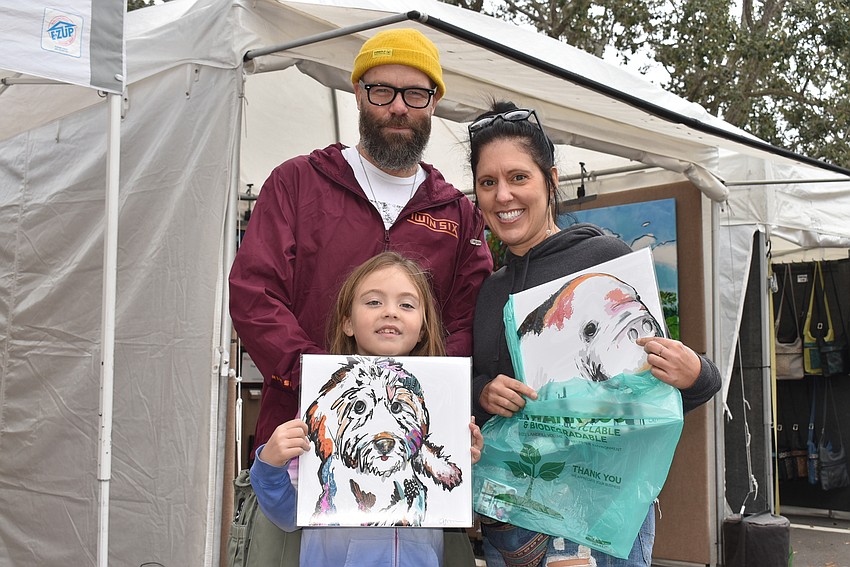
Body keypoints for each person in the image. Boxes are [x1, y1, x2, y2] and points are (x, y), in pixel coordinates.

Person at [227, 28, 492, 566]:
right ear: (358, 93)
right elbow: (255, 292)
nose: (398, 106)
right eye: (382, 90)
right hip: (304, 448)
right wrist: (319, 383)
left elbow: (469, 318)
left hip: (414, 462)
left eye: (415, 93)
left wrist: (437, 403)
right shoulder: (297, 183)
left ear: (434, 101)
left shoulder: (456, 212)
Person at [467, 101, 722, 567]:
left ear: (551, 180)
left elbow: (662, 388)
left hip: (602, 517)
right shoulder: (490, 291)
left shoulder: (605, 257)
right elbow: (476, 387)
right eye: (488, 182)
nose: (503, 195)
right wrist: (484, 393)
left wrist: (697, 374)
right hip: (513, 521)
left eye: (518, 177)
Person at [249, 252, 485, 567]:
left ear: (423, 328)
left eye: (407, 305)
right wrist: (269, 466)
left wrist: (468, 461)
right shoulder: (324, 403)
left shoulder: (437, 405)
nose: (390, 312)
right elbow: (288, 516)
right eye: (374, 302)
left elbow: (457, 500)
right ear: (347, 322)